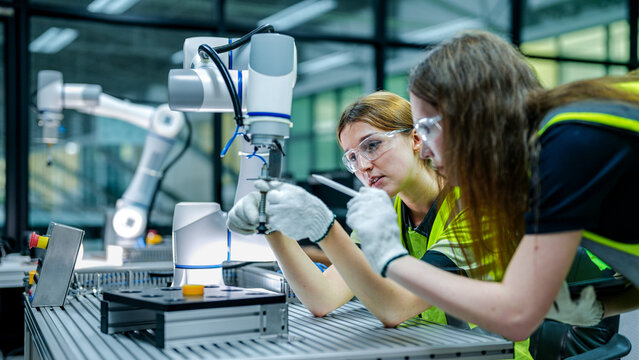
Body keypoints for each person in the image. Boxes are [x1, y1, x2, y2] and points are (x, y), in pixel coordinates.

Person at [345, 30, 639, 343]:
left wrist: (390, 256)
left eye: (428, 128)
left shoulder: (564, 146)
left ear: (471, 114)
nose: (426, 151)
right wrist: (601, 306)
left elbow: (516, 317)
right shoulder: (545, 156)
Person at [227, 91, 533, 359]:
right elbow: (324, 298)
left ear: (416, 138)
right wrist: (271, 227)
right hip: (424, 348)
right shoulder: (385, 207)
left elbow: (394, 308)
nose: (363, 166)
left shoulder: (477, 210)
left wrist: (324, 227)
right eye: (352, 157)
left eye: (372, 145)